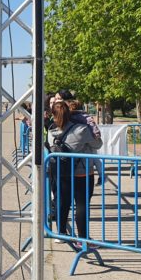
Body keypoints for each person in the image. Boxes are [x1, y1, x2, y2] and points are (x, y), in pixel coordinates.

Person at [46, 100, 103, 244]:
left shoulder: (51, 132)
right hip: (82, 172)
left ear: (53, 115)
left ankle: (61, 233)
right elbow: (98, 143)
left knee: (63, 202)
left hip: (61, 172)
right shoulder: (81, 130)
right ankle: (82, 238)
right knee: (82, 205)